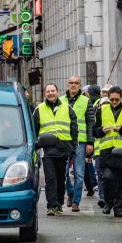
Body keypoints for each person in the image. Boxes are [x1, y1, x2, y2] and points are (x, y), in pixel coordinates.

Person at [34, 83, 78, 216]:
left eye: (53, 91)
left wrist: (73, 144)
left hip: (63, 148)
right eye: (48, 91)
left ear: (57, 92)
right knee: (50, 178)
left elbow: (74, 126)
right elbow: (34, 129)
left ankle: (58, 203)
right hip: (47, 150)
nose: (51, 93)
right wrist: (36, 146)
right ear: (45, 94)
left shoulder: (67, 107)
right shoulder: (39, 109)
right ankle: (51, 206)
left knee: (60, 178)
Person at [93, 86, 122, 217]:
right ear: (108, 98)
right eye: (112, 99)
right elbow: (95, 131)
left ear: (121, 98)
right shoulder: (101, 110)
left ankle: (118, 207)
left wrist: (121, 129)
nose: (114, 102)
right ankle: (109, 202)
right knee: (108, 177)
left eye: (116, 99)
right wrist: (101, 130)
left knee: (120, 180)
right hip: (107, 150)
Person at [61, 76, 95, 212]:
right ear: (67, 85)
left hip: (81, 141)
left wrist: (90, 142)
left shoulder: (86, 101)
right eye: (71, 83)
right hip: (65, 141)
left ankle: (76, 201)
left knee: (79, 174)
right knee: (63, 173)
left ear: (80, 85)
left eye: (76, 83)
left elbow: (90, 123)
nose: (73, 85)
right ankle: (70, 193)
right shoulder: (61, 101)